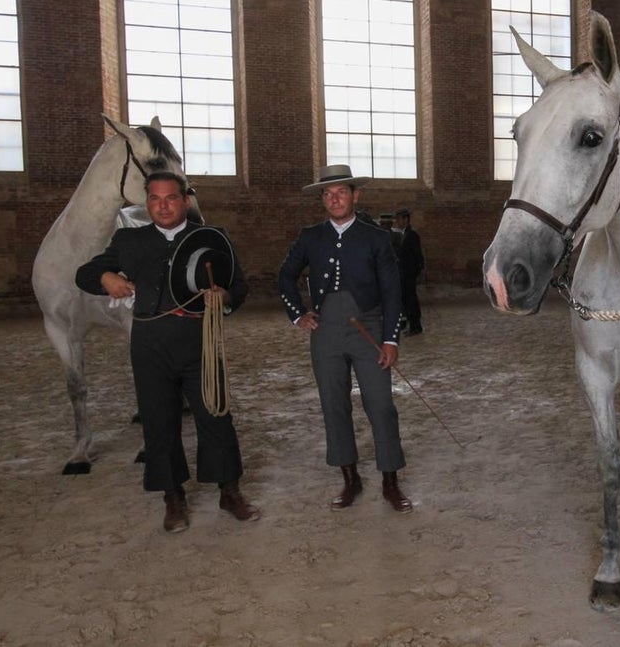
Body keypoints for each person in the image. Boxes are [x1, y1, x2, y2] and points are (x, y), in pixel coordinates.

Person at [75, 171, 259, 533]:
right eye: (155, 199)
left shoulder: (211, 237)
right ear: (147, 203)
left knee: (215, 415)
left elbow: (239, 286)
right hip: (150, 342)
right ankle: (172, 497)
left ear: (185, 201)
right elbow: (86, 272)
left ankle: (229, 491)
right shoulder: (129, 239)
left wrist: (224, 298)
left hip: (199, 340)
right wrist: (106, 278)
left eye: (171, 198)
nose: (162, 205)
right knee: (158, 422)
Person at [277, 164, 413, 513]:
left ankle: (390, 482)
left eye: (341, 192)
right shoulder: (310, 236)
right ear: (322, 199)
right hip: (325, 333)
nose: (334, 199)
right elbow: (285, 276)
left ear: (356, 195)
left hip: (368, 328)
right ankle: (350, 479)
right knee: (333, 404)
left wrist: (391, 340)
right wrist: (298, 313)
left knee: (380, 405)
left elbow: (393, 292)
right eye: (327, 193)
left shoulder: (378, 238)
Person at [394, 208, 425, 336]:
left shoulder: (412, 235)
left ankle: (416, 326)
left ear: (405, 219)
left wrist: (413, 273)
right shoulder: (404, 234)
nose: (397, 222)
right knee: (407, 301)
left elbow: (418, 256)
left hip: (408, 275)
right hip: (404, 274)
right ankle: (412, 325)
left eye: (399, 219)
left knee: (411, 301)